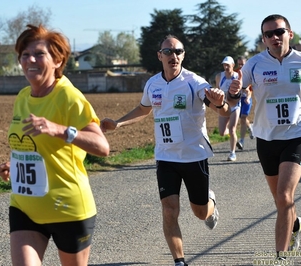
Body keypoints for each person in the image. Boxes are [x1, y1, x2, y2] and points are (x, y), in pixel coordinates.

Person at [100, 35, 240, 266]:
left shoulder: (194, 82)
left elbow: (223, 111)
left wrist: (220, 101)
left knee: (200, 213)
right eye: (168, 52)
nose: (173, 56)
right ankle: (179, 261)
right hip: (165, 157)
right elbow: (143, 109)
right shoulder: (152, 84)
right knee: (169, 210)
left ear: (183, 55)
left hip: (194, 155)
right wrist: (117, 123)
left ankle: (210, 202)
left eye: (178, 52)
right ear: (160, 55)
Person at [0, 24, 110, 266]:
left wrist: (58, 129)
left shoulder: (69, 97)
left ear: (57, 61)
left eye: (39, 54)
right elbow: (31, 145)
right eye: (25, 55)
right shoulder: (22, 97)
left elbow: (102, 146)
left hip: (68, 208)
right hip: (25, 206)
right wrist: (16, 165)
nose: (30, 60)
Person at [236, 14, 301, 260]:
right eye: (269, 34)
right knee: (281, 202)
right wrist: (236, 92)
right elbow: (239, 90)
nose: (275, 37)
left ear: (290, 34)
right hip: (266, 138)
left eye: (279, 32)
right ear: (263, 40)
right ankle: (296, 224)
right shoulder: (254, 64)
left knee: (284, 195)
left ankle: (280, 257)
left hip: (297, 135)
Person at [215, 56, 240, 161]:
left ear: (233, 66)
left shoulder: (237, 76)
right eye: (224, 65)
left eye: (228, 65)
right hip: (224, 106)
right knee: (221, 132)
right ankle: (233, 138)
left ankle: (232, 153)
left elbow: (245, 88)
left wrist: (246, 96)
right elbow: (217, 89)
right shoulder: (219, 76)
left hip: (235, 106)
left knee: (232, 129)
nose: (226, 67)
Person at [235, 56, 254, 150]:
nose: (241, 66)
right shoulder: (236, 72)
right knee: (241, 119)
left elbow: (250, 90)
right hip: (238, 99)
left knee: (243, 118)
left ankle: (241, 141)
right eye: (239, 64)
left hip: (246, 98)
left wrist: (248, 97)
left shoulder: (249, 72)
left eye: (243, 64)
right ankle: (250, 127)